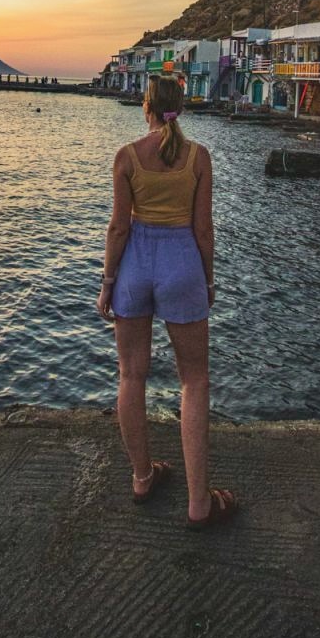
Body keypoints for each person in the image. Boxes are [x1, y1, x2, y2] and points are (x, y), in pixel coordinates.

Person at [96, 75, 238, 530]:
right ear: (182, 108)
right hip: (182, 266)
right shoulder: (199, 157)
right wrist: (209, 280)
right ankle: (200, 503)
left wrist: (107, 282)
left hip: (135, 267)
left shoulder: (125, 157)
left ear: (147, 107)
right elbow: (204, 230)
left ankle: (142, 477)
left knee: (130, 374)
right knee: (194, 381)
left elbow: (118, 228)